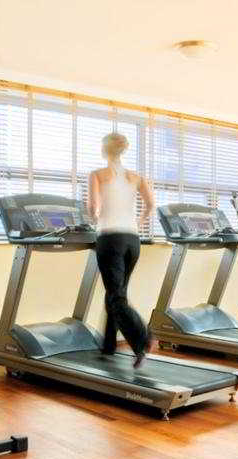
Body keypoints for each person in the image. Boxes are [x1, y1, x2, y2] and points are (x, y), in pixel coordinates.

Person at [89, 132, 155, 368]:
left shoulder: (98, 174)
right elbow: (151, 205)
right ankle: (108, 346)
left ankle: (143, 337)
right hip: (132, 240)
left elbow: (93, 206)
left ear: (104, 150)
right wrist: (138, 222)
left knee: (116, 297)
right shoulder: (135, 177)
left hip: (110, 238)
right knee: (116, 294)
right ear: (123, 150)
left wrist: (95, 219)